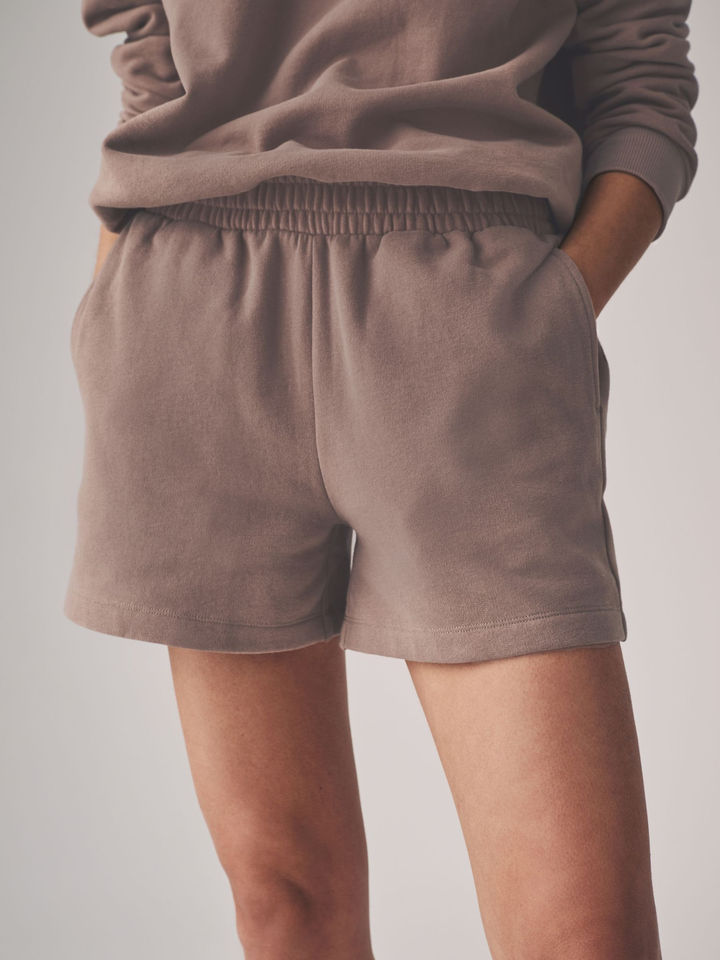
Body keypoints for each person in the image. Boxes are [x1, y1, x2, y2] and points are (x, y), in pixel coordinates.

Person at [66, 1, 698, 957]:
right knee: (284, 902)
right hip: (191, 319)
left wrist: (550, 312)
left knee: (583, 930)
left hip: (463, 318)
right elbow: (153, 52)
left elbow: (640, 82)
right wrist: (113, 295)